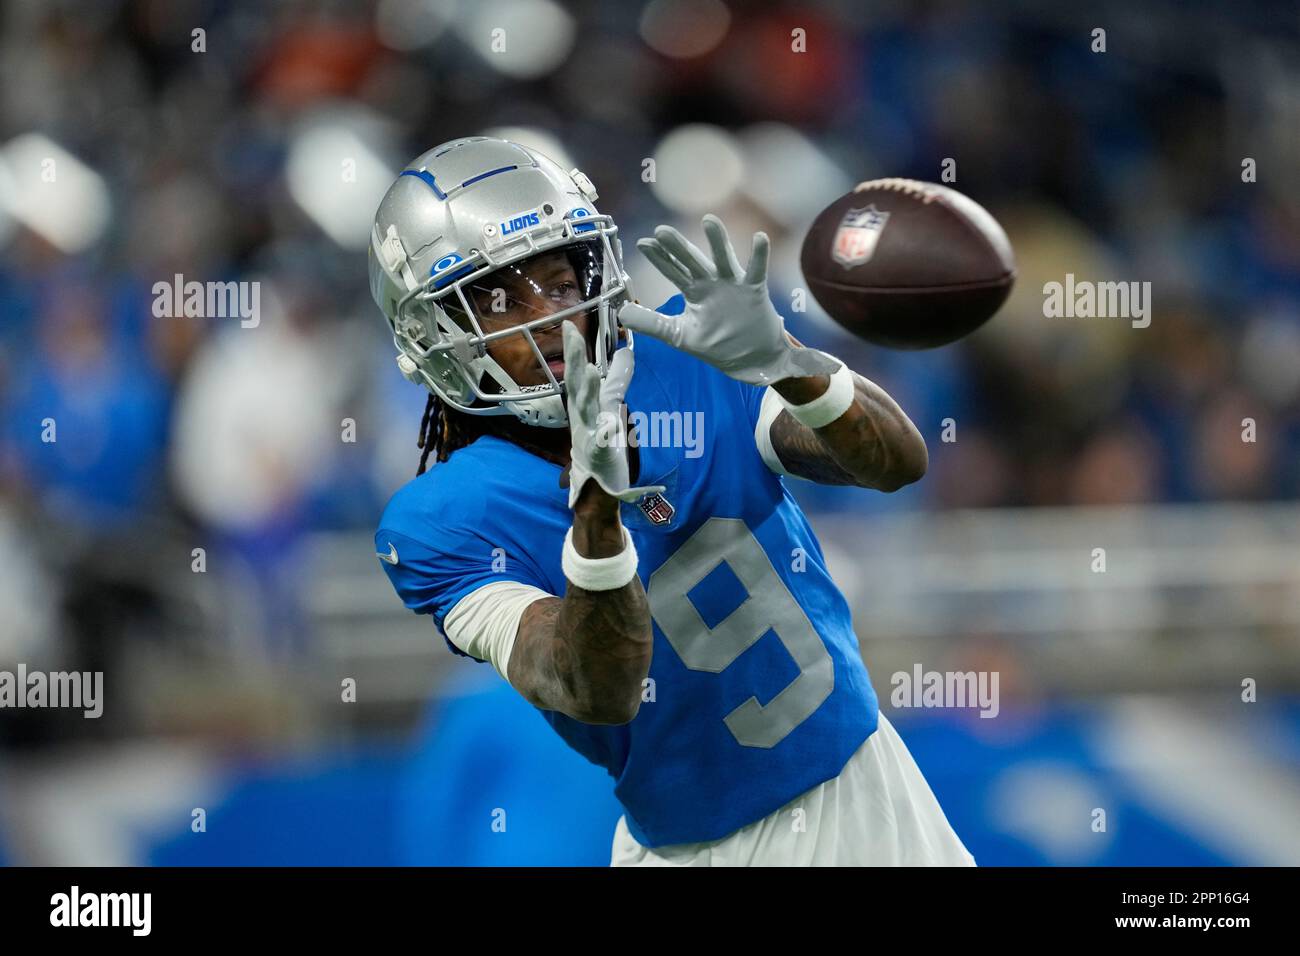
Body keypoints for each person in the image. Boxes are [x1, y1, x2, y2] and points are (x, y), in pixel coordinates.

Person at [368, 135, 975, 866]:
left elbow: (894, 464)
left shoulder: (686, 360)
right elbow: (595, 689)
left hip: (869, 790)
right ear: (434, 332)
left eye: (561, 284)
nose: (552, 319)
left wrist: (789, 364)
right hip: (697, 851)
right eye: (500, 300)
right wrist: (596, 514)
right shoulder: (440, 521)